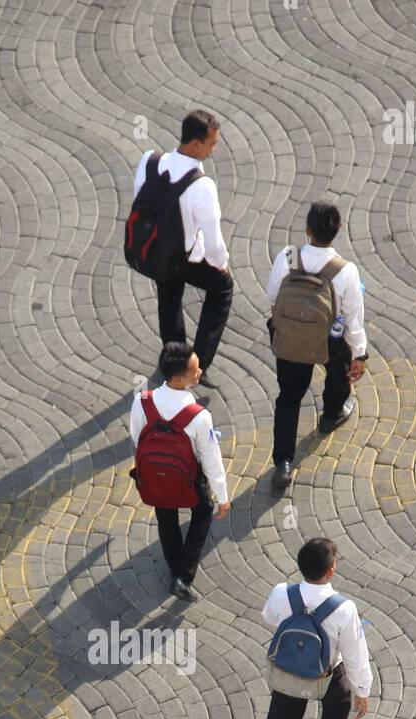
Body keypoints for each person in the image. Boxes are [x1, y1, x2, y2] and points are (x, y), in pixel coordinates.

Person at [259, 537, 371, 719]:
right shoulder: (344, 608)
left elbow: (270, 618)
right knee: (340, 702)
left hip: (289, 675)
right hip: (326, 673)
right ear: (331, 571)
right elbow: (355, 654)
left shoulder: (282, 593)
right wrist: (362, 690)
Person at [266, 201, 369, 486]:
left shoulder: (287, 256)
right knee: (338, 371)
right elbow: (353, 319)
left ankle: (284, 463)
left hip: (291, 339)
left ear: (307, 230)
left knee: (289, 397)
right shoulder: (345, 271)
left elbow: (272, 295)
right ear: (338, 230)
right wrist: (359, 355)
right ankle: (332, 413)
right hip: (329, 338)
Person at [132, 110, 232, 384]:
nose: (214, 149)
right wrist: (221, 266)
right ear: (196, 144)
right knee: (222, 289)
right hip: (184, 257)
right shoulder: (202, 186)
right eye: (212, 144)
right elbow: (213, 243)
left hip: (152, 250)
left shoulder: (149, 161)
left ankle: (175, 358)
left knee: (169, 295)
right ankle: (197, 363)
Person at [129, 341, 230, 600]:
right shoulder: (198, 416)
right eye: (195, 370)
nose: (200, 372)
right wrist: (222, 494)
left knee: (166, 516)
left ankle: (175, 567)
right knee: (203, 511)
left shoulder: (142, 402)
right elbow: (210, 458)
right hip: (189, 479)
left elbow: (137, 438)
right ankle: (183, 576)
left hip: (155, 475)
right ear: (177, 379)